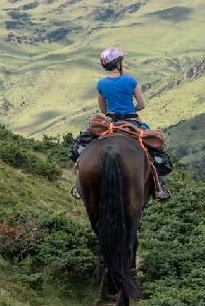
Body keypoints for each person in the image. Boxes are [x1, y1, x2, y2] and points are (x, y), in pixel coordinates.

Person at [70, 46, 172, 200]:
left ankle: (79, 186)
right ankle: (159, 188)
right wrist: (131, 109)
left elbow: (103, 110)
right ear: (119, 63)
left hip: (109, 123)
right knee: (151, 150)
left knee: (83, 148)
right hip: (131, 122)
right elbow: (142, 105)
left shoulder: (101, 84)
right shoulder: (130, 80)